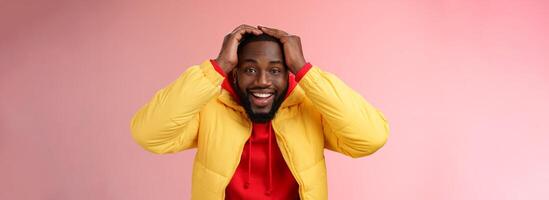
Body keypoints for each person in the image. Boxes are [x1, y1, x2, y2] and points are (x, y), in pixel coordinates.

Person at [130, 25, 389, 200]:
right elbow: (148, 134)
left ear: (289, 75)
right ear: (235, 72)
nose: (263, 81)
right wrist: (216, 67)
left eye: (275, 70)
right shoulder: (211, 107)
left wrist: (304, 69)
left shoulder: (309, 107)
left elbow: (371, 138)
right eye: (250, 69)